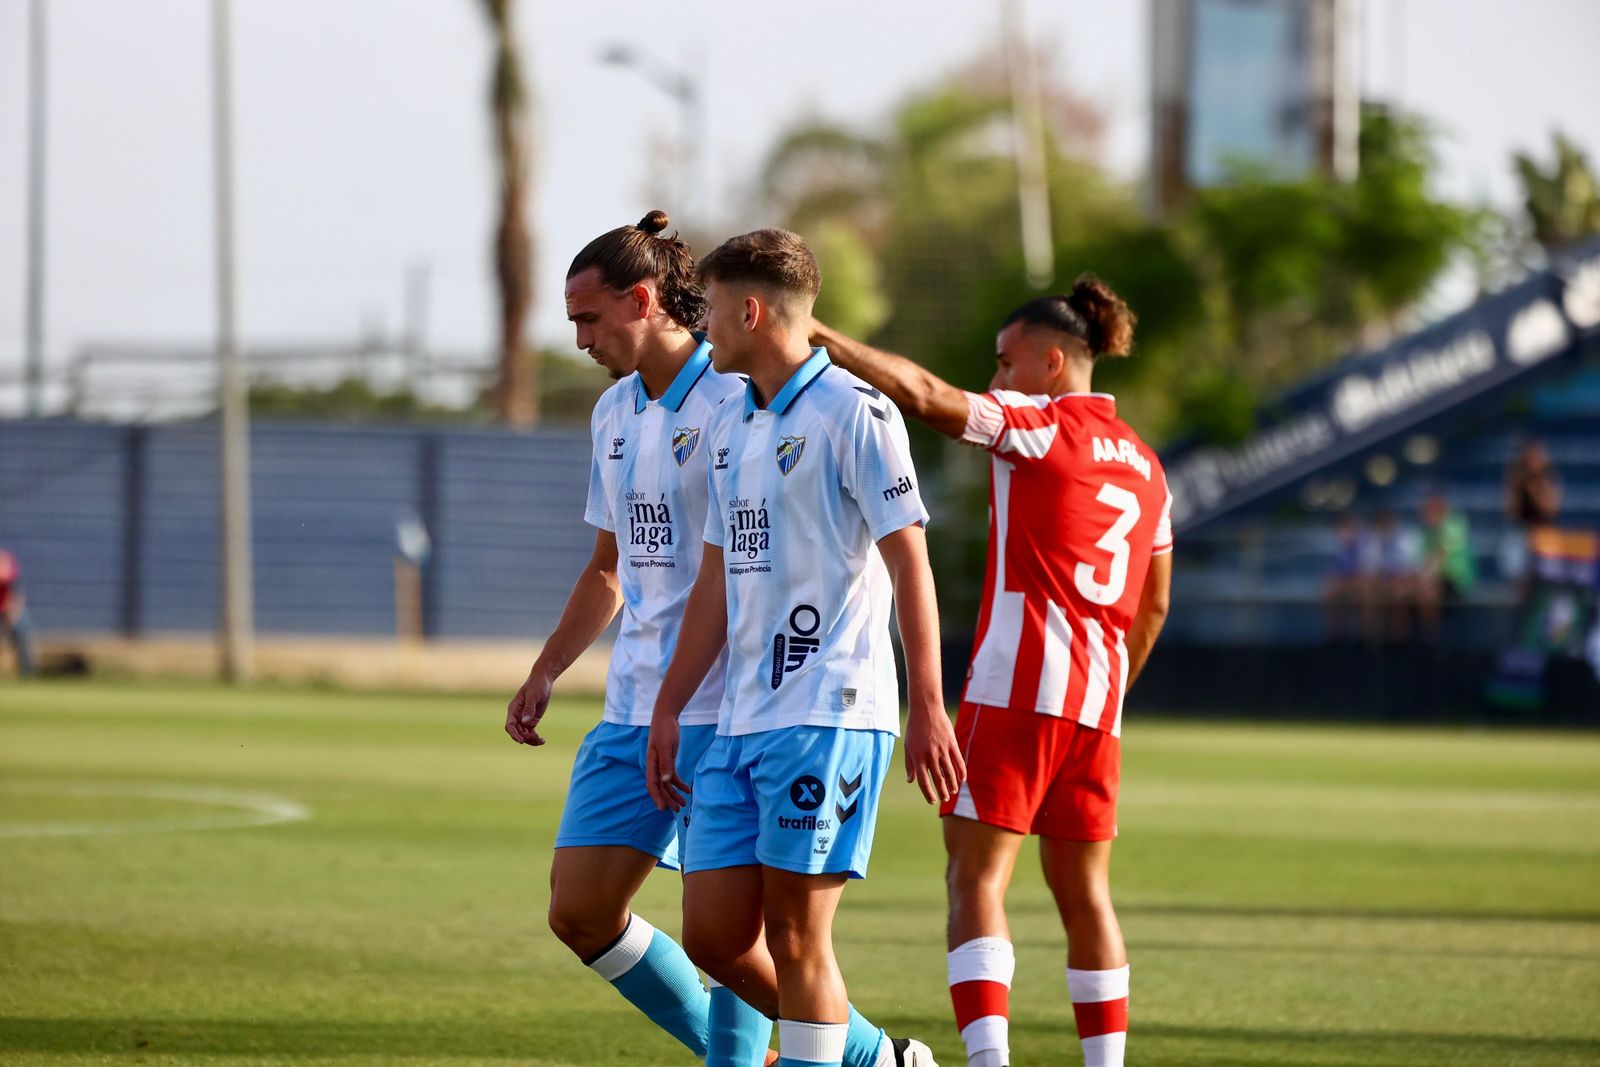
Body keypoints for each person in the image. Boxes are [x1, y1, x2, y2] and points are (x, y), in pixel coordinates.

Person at [810, 276, 1173, 1067]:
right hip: (1097, 709)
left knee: (976, 879)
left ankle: (988, 1062)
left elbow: (927, 397)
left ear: (1052, 363)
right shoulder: (1149, 467)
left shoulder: (1039, 427)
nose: (997, 378)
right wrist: (1110, 689)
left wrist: (822, 336)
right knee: (1087, 893)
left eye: (1006, 362)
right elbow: (1153, 605)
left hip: (1016, 688)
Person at [645, 229, 962, 1067]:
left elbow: (910, 561)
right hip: (740, 719)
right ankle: (879, 1058)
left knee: (795, 935)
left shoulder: (855, 413)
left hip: (830, 709)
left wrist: (928, 702)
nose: (702, 325)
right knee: (714, 936)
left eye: (712, 308)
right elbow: (716, 579)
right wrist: (671, 702)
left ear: (751, 312)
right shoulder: (730, 422)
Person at [504, 211, 769, 1065]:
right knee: (580, 911)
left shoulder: (736, 400)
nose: (581, 339)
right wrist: (547, 667)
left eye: (589, 318)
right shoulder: (613, 412)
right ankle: (862, 1055)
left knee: (726, 933)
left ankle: (846, 1055)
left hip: (726, 707)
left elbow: (750, 567)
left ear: (644, 299)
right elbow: (608, 568)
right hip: (632, 708)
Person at [1416, 493, 1476, 641]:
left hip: (1457, 580)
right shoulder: (1428, 532)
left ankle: (1432, 640)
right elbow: (1423, 562)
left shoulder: (1453, 526)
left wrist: (1424, 577)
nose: (1425, 516)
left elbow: (1441, 558)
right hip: (1438, 579)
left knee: (1429, 592)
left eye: (1429, 511)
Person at [0, 548, 36, 678]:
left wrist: (12, 617)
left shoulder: (7, 561)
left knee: (23, 628)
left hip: (10, 611)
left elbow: (16, 598)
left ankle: (27, 673)